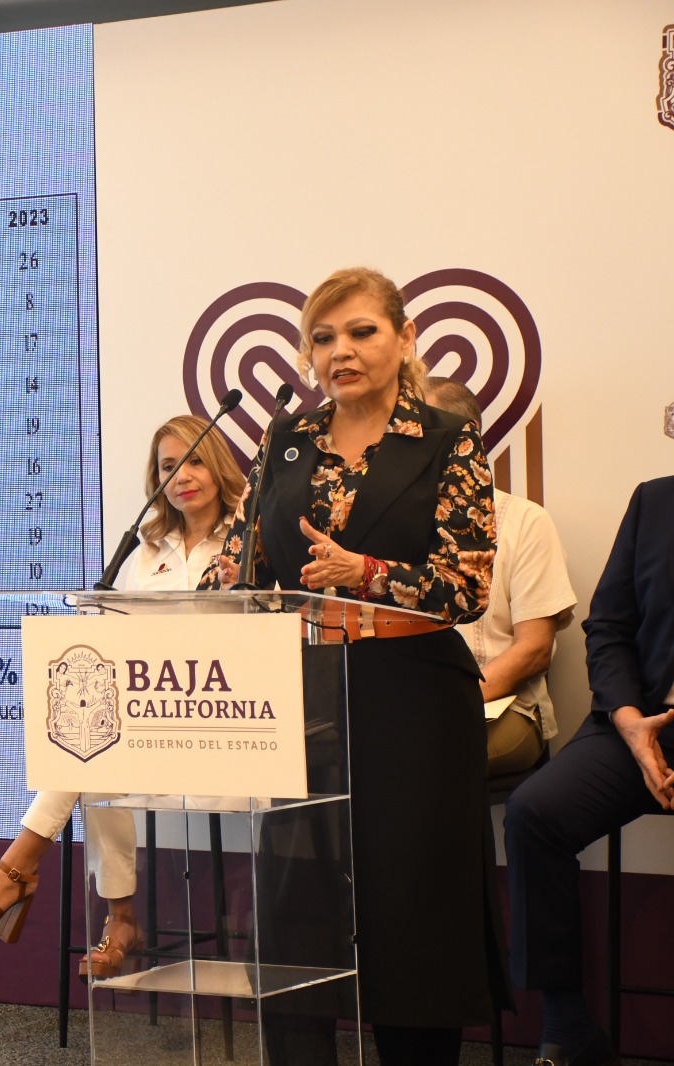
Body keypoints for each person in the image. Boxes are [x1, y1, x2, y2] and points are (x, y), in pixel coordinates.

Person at [214, 267, 501, 1066]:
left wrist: (364, 572)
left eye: (361, 331)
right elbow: (240, 560)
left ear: (405, 338)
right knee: (294, 913)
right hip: (302, 698)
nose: (340, 351)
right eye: (323, 337)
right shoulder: (287, 441)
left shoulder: (446, 440)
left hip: (413, 701)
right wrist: (207, 594)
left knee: (410, 916)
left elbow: (467, 585)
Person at [0, 415, 246, 977]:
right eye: (169, 466)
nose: (182, 476)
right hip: (150, 718)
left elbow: (273, 631)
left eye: (195, 461)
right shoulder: (146, 552)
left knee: (90, 746)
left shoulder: (251, 540)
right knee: (91, 746)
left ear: (220, 466)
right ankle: (115, 915)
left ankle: (23, 877)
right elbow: (119, 638)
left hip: (222, 723)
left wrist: (238, 591)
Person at [505, 477, 674, 1066]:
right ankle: (569, 1026)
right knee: (536, 813)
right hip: (640, 721)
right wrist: (628, 720)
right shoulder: (655, 501)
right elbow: (608, 626)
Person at [424, 376, 577, 775]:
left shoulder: (525, 521)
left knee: (413, 764)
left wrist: (449, 703)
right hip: (405, 709)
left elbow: (534, 650)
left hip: (501, 706)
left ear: (467, 440)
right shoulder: (388, 527)